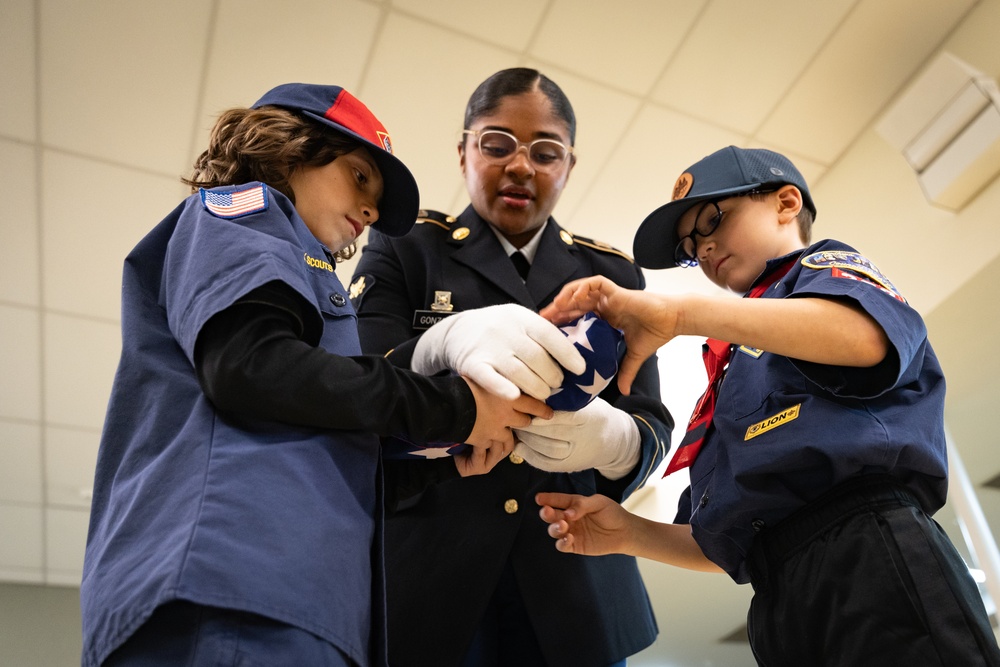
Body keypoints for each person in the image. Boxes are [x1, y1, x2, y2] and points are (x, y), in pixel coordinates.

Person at [79, 82, 553, 667]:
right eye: (359, 177)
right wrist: (452, 407)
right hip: (234, 587)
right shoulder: (244, 215)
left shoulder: (304, 273)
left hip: (289, 597)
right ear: (288, 151)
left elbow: (320, 445)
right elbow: (252, 367)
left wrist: (442, 461)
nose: (372, 211)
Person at [536, 145, 1000, 666]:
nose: (704, 249)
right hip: (777, 591)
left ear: (785, 202)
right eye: (692, 247)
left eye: (712, 220)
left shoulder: (818, 271)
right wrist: (631, 533)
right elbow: (734, 529)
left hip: (867, 553)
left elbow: (864, 337)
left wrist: (682, 313)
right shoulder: (731, 357)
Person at [349, 67, 673, 667]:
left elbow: (651, 422)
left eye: (546, 152)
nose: (521, 166)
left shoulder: (615, 276)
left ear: (569, 168)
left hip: (579, 587)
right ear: (464, 151)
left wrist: (615, 442)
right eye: (497, 144)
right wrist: (440, 351)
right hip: (433, 581)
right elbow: (365, 382)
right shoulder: (409, 248)